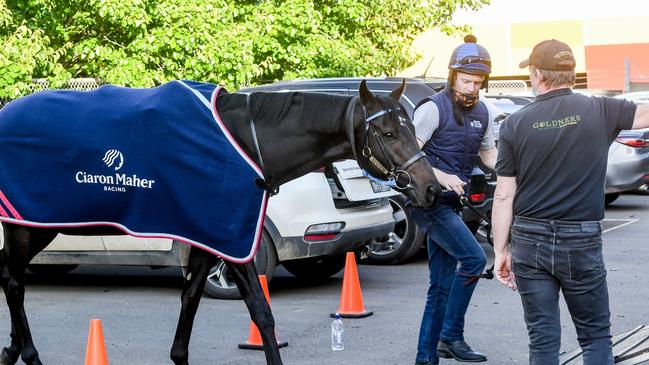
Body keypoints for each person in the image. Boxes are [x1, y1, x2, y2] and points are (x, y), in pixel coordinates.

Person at [492, 39, 649, 365]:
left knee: (543, 339)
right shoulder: (601, 109)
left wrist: (499, 251)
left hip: (529, 241)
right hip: (580, 240)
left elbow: (504, 193)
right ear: (571, 73)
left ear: (537, 75)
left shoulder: (515, 124)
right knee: (594, 338)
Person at [412, 35, 500, 365]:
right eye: (466, 81)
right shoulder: (433, 109)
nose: (471, 88)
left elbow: (488, 153)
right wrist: (441, 175)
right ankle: (449, 336)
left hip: (451, 204)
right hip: (427, 200)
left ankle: (430, 353)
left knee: (441, 285)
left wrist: (510, 169)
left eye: (477, 82)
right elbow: (409, 156)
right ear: (453, 77)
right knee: (475, 259)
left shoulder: (485, 112)